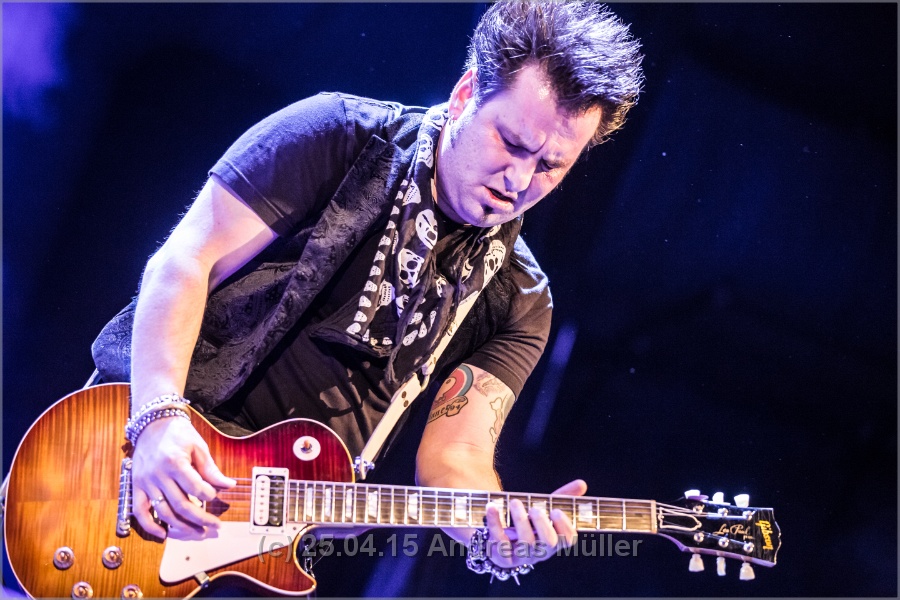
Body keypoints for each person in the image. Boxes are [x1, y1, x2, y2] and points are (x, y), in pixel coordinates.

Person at [90, 0, 643, 585]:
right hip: (144, 456)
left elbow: (455, 459)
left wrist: (497, 533)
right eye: (511, 142)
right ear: (464, 95)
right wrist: (158, 419)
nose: (519, 180)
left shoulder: (522, 299)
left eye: (551, 166)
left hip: (269, 546)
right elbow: (184, 262)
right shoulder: (337, 136)